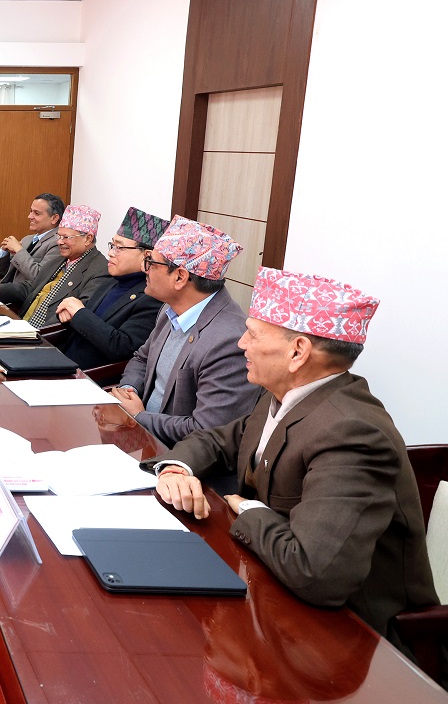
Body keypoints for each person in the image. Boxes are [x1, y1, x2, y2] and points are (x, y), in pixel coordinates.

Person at [151, 267, 437, 641]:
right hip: (270, 589)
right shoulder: (286, 394)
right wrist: (176, 468)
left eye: (253, 334)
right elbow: (220, 439)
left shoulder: (352, 432)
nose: (241, 344)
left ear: (298, 352)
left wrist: (247, 510)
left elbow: (316, 573)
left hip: (353, 638)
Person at [112, 217, 257, 446]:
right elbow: (142, 358)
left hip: (176, 456)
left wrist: (139, 416)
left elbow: (207, 431)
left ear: (180, 277)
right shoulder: (169, 309)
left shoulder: (229, 340)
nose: (143, 269)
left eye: (151, 263)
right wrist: (128, 390)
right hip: (140, 434)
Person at [53, 207, 169, 369]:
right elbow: (85, 322)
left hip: (88, 375)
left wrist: (79, 313)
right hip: (62, 360)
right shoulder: (112, 281)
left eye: (119, 248)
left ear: (147, 256)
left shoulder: (151, 296)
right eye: (112, 245)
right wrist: (68, 313)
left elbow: (121, 347)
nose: (111, 253)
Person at [0, 204, 108, 328]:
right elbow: (33, 287)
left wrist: (33, 334)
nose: (59, 242)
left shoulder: (99, 270)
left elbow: (79, 314)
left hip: (46, 335)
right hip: (23, 323)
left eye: (66, 237)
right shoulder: (60, 259)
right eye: (59, 236)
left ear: (88, 239)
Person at [0, 193, 63, 286]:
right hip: (5, 290)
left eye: (36, 213)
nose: (29, 216)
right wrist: (4, 251)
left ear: (54, 218)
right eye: (31, 211)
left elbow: (39, 277)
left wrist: (19, 250)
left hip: (27, 294)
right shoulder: (27, 239)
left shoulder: (59, 243)